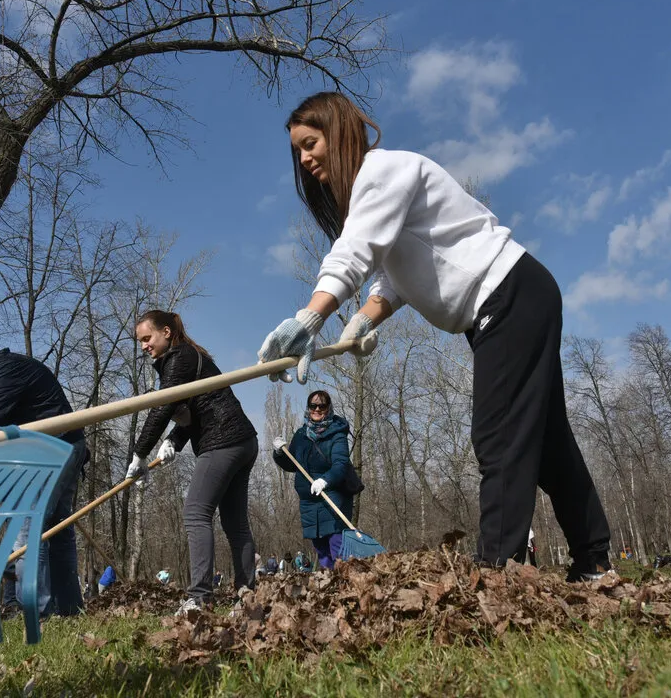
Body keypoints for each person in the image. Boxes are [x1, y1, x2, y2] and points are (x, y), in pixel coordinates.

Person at [257, 92, 613, 581]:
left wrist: (310, 316)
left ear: (338, 134)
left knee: (499, 438)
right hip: (515, 297)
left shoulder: (381, 172)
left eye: (311, 143)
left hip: (507, 292)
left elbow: (355, 251)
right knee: (548, 444)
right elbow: (393, 277)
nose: (305, 158)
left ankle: (496, 574)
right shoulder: (377, 194)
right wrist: (363, 320)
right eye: (298, 150)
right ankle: (593, 561)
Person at [125, 310, 258, 615]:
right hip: (243, 440)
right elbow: (194, 409)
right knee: (235, 523)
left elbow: (163, 406)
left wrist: (139, 453)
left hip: (222, 441)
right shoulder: (188, 357)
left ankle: (199, 599)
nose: (144, 346)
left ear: (167, 332)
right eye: (141, 342)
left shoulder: (178, 358)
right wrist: (173, 440)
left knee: (196, 512)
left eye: (148, 338)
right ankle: (246, 596)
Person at [0, 330, 87, 617]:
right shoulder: (8, 370)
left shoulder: (5, 371)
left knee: (28, 528)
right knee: (58, 531)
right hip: (66, 446)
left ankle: (35, 612)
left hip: (54, 450)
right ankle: (70, 611)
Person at [272, 390, 354, 570]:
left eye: (322, 405)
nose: (317, 409)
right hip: (309, 502)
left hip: (333, 497)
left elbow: (340, 464)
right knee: (320, 548)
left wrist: (325, 480)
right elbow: (292, 464)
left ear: (328, 408)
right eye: (313, 405)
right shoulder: (301, 435)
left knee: (336, 544)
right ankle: (330, 584)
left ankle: (344, 583)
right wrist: (279, 453)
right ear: (308, 408)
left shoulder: (337, 433)